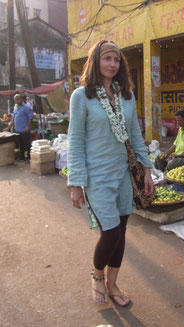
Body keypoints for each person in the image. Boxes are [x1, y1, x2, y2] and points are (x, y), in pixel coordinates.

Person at [68, 40, 154, 306]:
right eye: (107, 58)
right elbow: (75, 139)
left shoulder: (127, 95)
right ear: (95, 61)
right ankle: (97, 276)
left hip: (123, 173)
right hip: (97, 176)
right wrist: (76, 183)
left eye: (116, 60)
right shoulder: (81, 96)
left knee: (123, 229)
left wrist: (147, 170)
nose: (112, 64)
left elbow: (136, 136)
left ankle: (113, 283)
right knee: (111, 232)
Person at [4, 93, 34, 161]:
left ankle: (29, 158)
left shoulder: (26, 107)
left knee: (27, 144)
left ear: (21, 99)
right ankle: (22, 158)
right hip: (17, 129)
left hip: (24, 129)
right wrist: (8, 127)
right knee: (20, 144)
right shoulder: (15, 108)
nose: (17, 100)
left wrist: (27, 126)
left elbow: (30, 117)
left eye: (18, 99)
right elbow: (14, 119)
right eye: (16, 99)